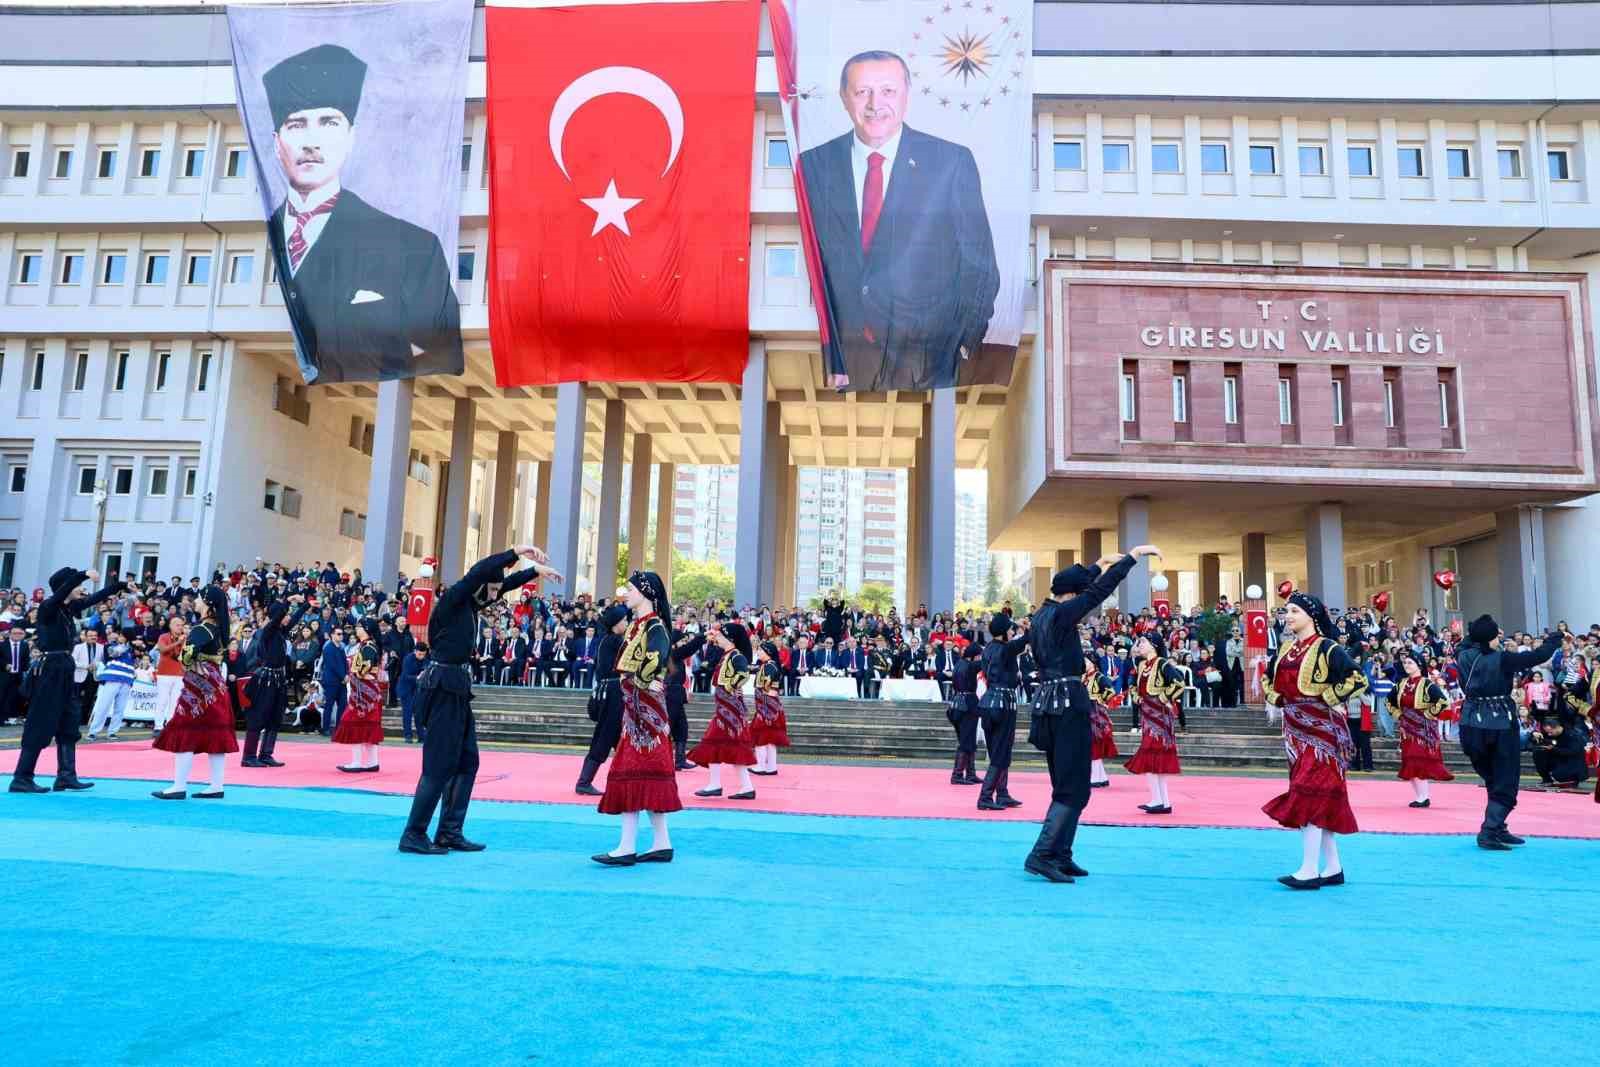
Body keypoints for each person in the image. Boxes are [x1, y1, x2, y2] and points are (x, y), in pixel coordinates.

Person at [797, 49, 1000, 392]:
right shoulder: (814, 165)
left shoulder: (950, 162)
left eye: (888, 91)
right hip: (847, 360)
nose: (876, 103)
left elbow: (978, 265)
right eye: (862, 92)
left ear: (907, 94)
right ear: (845, 98)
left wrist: (962, 345)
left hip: (926, 361)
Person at [260, 43, 463, 384]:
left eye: (328, 122)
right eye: (296, 125)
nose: (312, 141)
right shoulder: (270, 233)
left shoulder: (411, 246)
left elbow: (443, 348)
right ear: (276, 141)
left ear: (351, 136)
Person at [398, 546, 551, 855]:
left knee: (467, 762)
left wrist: (534, 573)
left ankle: (449, 832)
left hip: (456, 688)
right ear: (480, 586)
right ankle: (414, 833)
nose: (495, 595)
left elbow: (500, 585)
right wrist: (515, 552)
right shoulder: (454, 600)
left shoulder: (470, 604)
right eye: (491, 590)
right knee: (438, 766)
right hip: (442, 687)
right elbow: (480, 573)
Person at [1023, 546, 1160, 883]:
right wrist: (1131, 558)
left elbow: (1084, 585)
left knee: (1067, 785)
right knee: (1073, 788)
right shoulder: (1063, 615)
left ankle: (1060, 854)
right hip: (1067, 702)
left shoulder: (1042, 615)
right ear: (1071, 594)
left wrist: (1097, 565)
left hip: (1049, 705)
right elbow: (1097, 592)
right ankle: (1042, 854)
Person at [1261, 592, 1368, 890]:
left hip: (1324, 735)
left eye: (1294, 610)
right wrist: (1278, 699)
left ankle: (1309, 870)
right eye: (1287, 611)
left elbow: (1358, 679)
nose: (1289, 616)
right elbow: (1266, 679)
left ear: (1312, 615)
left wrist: (1326, 699)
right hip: (1294, 732)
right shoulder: (1285, 649)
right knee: (1316, 795)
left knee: (1310, 793)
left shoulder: (1328, 648)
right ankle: (1333, 867)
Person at [9, 567, 124, 794]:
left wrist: (118, 586)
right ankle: (22, 777)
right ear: (67, 587)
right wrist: (83, 574)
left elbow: (95, 597)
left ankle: (66, 776)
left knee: (69, 720)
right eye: (77, 586)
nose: (82, 589)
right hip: (50, 670)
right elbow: (61, 592)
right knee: (40, 722)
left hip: (64, 668)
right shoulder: (48, 607)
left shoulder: (67, 609)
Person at [594, 572, 681, 866]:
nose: (625, 594)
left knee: (631, 769)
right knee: (647, 772)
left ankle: (627, 846)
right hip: (637, 710)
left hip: (644, 713)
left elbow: (655, 658)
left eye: (629, 589)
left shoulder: (653, 626)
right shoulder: (639, 626)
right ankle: (661, 842)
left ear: (645, 592)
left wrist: (642, 680)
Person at [1456, 614, 1560, 851]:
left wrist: (1479, 631)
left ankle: (1498, 825)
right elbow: (1538, 655)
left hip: (1470, 722)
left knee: (1492, 777)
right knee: (1505, 778)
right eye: (1496, 634)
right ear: (1490, 638)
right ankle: (1489, 831)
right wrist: (1554, 639)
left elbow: (1468, 640)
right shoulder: (1501, 659)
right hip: (1499, 724)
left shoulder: (1462, 655)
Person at [151, 586, 239, 800]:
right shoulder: (219, 627)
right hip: (215, 683)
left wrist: (188, 660)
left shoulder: (203, 628)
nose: (196, 602)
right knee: (215, 732)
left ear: (208, 604)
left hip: (199, 685)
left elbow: (188, 653)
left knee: (185, 728)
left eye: (199, 599)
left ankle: (179, 785)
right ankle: (216, 785)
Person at [688, 621, 758, 800]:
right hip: (724, 709)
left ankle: (723, 785)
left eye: (721, 635)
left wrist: (729, 686)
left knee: (718, 743)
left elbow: (743, 674)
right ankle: (736, 786)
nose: (717, 637)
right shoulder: (727, 655)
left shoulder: (735, 656)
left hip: (730, 710)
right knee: (721, 745)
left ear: (730, 638)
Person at [1122, 631, 1187, 814]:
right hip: (1147, 715)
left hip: (1160, 716)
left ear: (1153, 645)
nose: (1139, 645)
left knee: (1151, 755)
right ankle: (1162, 801)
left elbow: (1179, 683)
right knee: (1153, 756)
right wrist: (1136, 697)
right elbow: (1133, 684)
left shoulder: (1162, 664)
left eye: (1142, 642)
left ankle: (1158, 800)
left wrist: (1163, 696)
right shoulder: (1141, 665)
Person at [241, 594, 309, 768]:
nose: (287, 617)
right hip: (266, 680)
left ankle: (266, 754)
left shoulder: (279, 631)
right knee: (258, 717)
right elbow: (278, 615)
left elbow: (292, 620)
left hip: (278, 679)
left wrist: (305, 605)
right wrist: (288, 600)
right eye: (284, 614)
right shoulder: (268, 631)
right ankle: (248, 756)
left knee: (275, 717)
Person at [574, 604, 630, 797]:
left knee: (619, 738)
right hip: (613, 694)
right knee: (606, 736)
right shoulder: (614, 641)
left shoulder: (609, 640)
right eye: (624, 620)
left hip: (613, 692)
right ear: (615, 624)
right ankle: (584, 781)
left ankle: (627, 778)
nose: (627, 623)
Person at [976, 614, 1027, 811]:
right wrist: (1028, 628)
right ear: (1003, 632)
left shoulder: (988, 648)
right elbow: (1026, 640)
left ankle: (1002, 793)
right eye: (1011, 629)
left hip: (988, 702)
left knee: (998, 750)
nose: (1013, 632)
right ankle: (986, 796)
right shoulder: (1006, 649)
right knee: (1000, 752)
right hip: (1003, 703)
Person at [1392, 653, 1455, 808]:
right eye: (1405, 663)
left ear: (1419, 665)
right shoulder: (1401, 684)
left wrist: (1428, 714)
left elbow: (1442, 701)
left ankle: (1423, 797)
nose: (1407, 665)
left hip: (1423, 730)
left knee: (1417, 760)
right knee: (1409, 760)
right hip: (1406, 730)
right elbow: (1389, 701)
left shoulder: (1427, 684)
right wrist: (1398, 714)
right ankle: (1420, 796)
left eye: (1410, 663)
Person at [333, 621, 385, 773]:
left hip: (363, 692)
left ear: (366, 630)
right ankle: (372, 762)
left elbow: (362, 670)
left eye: (359, 627)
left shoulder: (368, 647)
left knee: (353, 722)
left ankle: (357, 762)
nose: (356, 629)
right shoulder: (368, 646)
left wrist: (353, 669)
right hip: (368, 691)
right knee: (369, 725)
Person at [750, 641, 791, 777]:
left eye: (761, 651)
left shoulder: (768, 667)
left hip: (766, 705)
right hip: (771, 704)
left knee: (761, 736)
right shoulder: (769, 665)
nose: (759, 652)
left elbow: (765, 687)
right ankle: (771, 767)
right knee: (770, 738)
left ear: (768, 652)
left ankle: (760, 766)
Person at [85, 636, 136, 741]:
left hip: (127, 679)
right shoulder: (110, 645)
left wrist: (134, 647)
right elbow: (112, 653)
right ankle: (93, 732)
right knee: (103, 706)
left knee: (120, 708)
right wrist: (125, 646)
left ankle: (112, 732)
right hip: (112, 677)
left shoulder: (133, 649)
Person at [946, 643, 983, 787]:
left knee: (967, 739)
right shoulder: (970, 666)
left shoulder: (959, 664)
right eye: (978, 655)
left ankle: (970, 774)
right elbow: (986, 661)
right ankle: (958, 774)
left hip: (957, 705)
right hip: (967, 705)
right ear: (974, 656)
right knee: (966, 741)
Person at [1083, 657, 1120, 788]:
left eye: (1087, 661)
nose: (1084, 664)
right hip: (1086, 712)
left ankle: (1096, 777)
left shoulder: (1099, 677)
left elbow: (1111, 691)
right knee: (1091, 745)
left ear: (1093, 663)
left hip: (1096, 713)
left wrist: (1100, 700)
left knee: (1094, 744)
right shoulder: (1084, 677)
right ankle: (1101, 776)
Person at [318, 626, 349, 736]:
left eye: (341, 634)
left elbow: (345, 664)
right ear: (332, 635)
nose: (341, 636)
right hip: (331, 681)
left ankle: (339, 728)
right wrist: (343, 676)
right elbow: (332, 666)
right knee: (329, 705)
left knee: (343, 705)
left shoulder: (341, 648)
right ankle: (325, 728)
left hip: (342, 682)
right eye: (338, 634)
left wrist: (347, 675)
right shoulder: (328, 648)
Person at [397, 642, 428, 743]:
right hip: (405, 688)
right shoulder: (408, 659)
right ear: (415, 651)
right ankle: (408, 735)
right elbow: (405, 675)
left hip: (417, 689)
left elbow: (426, 669)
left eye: (423, 654)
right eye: (419, 654)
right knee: (408, 712)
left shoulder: (425, 660)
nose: (421, 657)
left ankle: (421, 736)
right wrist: (417, 677)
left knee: (419, 713)